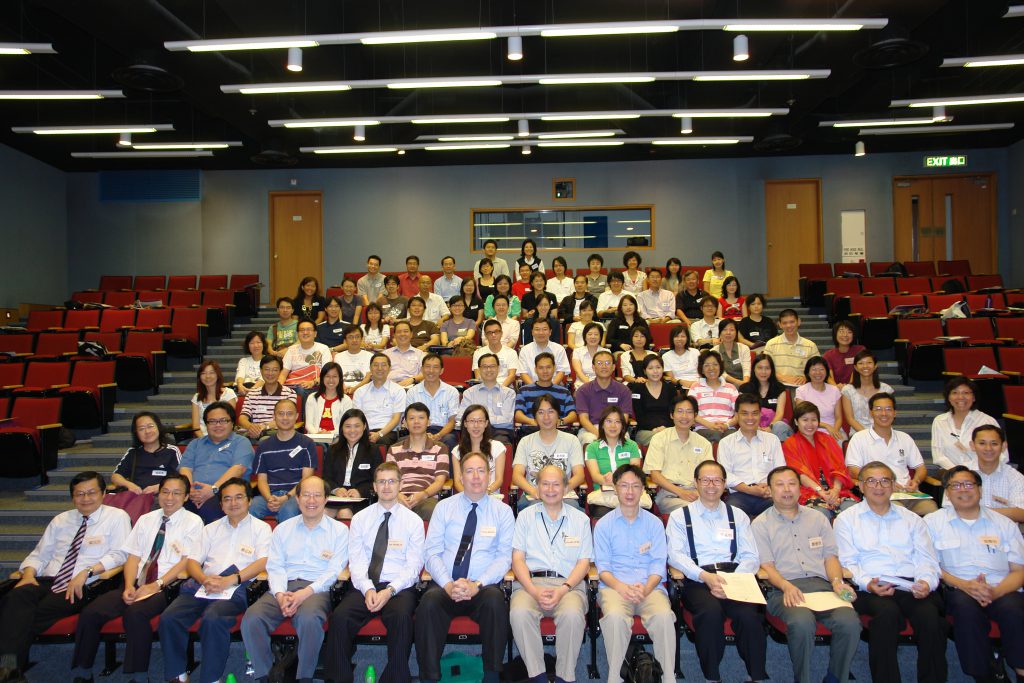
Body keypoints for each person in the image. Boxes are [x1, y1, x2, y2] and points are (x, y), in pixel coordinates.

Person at [71, 473, 204, 681]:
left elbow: (186, 561)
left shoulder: (193, 522)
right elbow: (133, 556)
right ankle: (83, 672)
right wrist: (128, 586)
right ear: (158, 494)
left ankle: (139, 675)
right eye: (165, 492)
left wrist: (157, 585)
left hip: (167, 585)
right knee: (91, 612)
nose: (169, 498)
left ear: (186, 497)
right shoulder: (146, 519)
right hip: (137, 582)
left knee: (135, 613)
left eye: (177, 493)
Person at [0, 472, 130, 679]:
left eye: (91, 493)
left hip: (83, 584)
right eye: (79, 494)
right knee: (17, 596)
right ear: (72, 497)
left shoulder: (116, 517)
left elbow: (120, 554)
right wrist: (29, 574)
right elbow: (39, 554)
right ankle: (11, 670)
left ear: (104, 493)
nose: (85, 499)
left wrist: (87, 572)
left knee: (19, 615)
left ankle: (8, 668)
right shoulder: (61, 520)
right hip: (48, 579)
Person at [834, 461, 946, 683]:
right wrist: (868, 583)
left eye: (885, 481)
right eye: (871, 481)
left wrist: (926, 582)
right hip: (869, 586)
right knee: (887, 614)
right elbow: (848, 562)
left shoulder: (912, 519)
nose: (879, 486)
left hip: (910, 583)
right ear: (860, 486)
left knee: (930, 617)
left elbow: (926, 558)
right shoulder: (846, 520)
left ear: (894, 485)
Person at [751, 466, 860, 683]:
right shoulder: (760, 524)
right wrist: (786, 586)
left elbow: (830, 557)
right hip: (783, 589)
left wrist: (837, 582)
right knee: (802, 622)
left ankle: (835, 678)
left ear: (800, 489)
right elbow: (767, 566)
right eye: (780, 485)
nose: (787, 489)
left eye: (792, 484)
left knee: (850, 622)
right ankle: (803, 679)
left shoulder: (818, 518)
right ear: (770, 490)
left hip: (823, 587)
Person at [158, 478, 272, 683]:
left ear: (249, 500)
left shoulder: (261, 528)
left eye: (239, 497)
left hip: (238, 586)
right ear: (221, 504)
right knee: (170, 617)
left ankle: (211, 678)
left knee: (213, 618)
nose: (233, 503)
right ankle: (178, 674)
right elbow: (192, 561)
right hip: (205, 585)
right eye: (227, 499)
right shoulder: (210, 529)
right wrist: (204, 579)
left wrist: (232, 579)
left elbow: (263, 561)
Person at [415, 451, 515, 683]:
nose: (476, 477)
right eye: (469, 471)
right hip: (446, 585)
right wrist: (448, 585)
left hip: (482, 586)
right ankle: (429, 677)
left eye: (481, 471)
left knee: (495, 602)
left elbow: (504, 557)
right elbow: (431, 552)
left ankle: (491, 676)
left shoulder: (503, 512)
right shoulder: (444, 507)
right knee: (428, 604)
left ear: (489, 476)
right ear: (461, 477)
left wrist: (477, 585)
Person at [241, 476, 349, 683]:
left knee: (309, 619)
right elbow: (275, 566)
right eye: (306, 495)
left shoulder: (339, 531)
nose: (311, 500)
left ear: (326, 499)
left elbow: (334, 571)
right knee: (252, 618)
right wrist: (280, 594)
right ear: (297, 499)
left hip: (316, 589)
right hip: (283, 586)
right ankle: (265, 676)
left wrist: (304, 593)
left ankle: (304, 677)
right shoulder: (283, 529)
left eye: (317, 495)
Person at [667, 459, 766, 683]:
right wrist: (705, 577)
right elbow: (675, 555)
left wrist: (733, 581)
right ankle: (712, 676)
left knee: (749, 616)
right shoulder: (680, 516)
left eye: (717, 480)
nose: (711, 485)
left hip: (736, 576)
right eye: (705, 480)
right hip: (698, 578)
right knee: (710, 613)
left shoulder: (738, 516)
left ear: (724, 484)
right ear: (696, 482)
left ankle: (756, 675)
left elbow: (751, 556)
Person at [325, 462, 425, 683]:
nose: (386, 486)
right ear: (374, 486)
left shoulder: (414, 522)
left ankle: (395, 678)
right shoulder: (360, 519)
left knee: (401, 618)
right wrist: (368, 588)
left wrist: (389, 591)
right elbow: (356, 561)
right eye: (382, 482)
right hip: (365, 584)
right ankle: (339, 678)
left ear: (400, 485)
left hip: (398, 587)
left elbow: (414, 566)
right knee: (340, 618)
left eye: (391, 481)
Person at [925, 465, 1024, 683]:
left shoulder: (1004, 524)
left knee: (1015, 610)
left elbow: (1019, 570)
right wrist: (965, 585)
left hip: (1001, 587)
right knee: (965, 609)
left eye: (969, 484)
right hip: (957, 587)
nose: (963, 489)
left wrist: (995, 592)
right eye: (955, 485)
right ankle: (985, 675)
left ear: (980, 489)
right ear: (947, 492)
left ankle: (1021, 671)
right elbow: (930, 565)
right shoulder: (932, 522)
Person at [510, 465, 592, 683]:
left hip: (568, 585)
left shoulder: (581, 520)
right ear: (537, 488)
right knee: (519, 612)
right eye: (545, 484)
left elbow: (584, 563)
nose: (550, 489)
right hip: (531, 583)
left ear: (565, 488)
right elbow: (517, 560)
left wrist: (564, 589)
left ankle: (565, 677)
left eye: (556, 484)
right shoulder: (524, 517)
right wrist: (533, 590)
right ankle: (537, 676)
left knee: (572, 615)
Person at [594, 464, 675, 683]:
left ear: (643, 490)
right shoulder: (603, 525)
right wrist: (622, 587)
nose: (629, 492)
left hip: (649, 588)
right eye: (624, 486)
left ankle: (668, 678)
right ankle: (616, 679)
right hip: (615, 588)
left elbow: (658, 564)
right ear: (615, 488)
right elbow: (603, 568)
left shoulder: (655, 524)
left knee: (664, 617)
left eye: (635, 486)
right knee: (614, 618)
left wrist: (646, 589)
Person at [845, 393, 938, 516]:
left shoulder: (905, 438)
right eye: (878, 409)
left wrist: (916, 481)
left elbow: (921, 468)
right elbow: (852, 470)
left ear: (895, 413)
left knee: (931, 509)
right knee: (898, 513)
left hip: (908, 493)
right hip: (879, 492)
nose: (884, 413)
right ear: (871, 413)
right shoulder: (859, 438)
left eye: (888, 409)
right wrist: (885, 483)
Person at [783, 402, 859, 520]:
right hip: (810, 491)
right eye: (805, 420)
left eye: (813, 420)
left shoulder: (828, 439)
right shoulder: (790, 444)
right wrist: (821, 492)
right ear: (797, 422)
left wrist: (836, 490)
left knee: (853, 511)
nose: (810, 424)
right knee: (819, 516)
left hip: (837, 490)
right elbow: (800, 474)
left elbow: (840, 469)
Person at [179, 402, 254, 523]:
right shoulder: (195, 444)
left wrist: (214, 489)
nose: (218, 425)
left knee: (210, 510)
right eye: (212, 421)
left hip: (225, 493)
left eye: (223, 420)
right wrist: (189, 489)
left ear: (232, 423)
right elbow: (185, 468)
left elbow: (238, 469)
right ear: (206, 424)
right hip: (194, 494)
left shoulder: (241, 442)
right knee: (176, 509)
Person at [716, 393, 786, 518]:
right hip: (739, 495)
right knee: (730, 514)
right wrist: (749, 489)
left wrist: (769, 487)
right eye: (745, 413)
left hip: (768, 493)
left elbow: (780, 470)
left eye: (754, 413)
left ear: (760, 414)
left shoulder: (772, 440)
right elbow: (725, 475)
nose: (750, 418)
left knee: (785, 510)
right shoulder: (726, 443)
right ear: (736, 415)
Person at [513, 394, 586, 511]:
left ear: (558, 415)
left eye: (551, 412)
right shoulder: (525, 441)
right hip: (534, 495)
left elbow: (579, 475)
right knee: (535, 511)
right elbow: (517, 475)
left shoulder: (572, 440)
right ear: (535, 417)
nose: (546, 417)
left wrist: (563, 489)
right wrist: (533, 491)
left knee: (572, 511)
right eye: (541, 412)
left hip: (564, 495)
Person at [250, 399, 316, 522]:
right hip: (269, 495)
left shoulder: (307, 444)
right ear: (274, 416)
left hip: (295, 495)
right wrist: (269, 499)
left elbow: (306, 479)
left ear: (296, 416)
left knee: (288, 510)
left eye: (289, 414)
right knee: (250, 508)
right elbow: (261, 480)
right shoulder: (263, 446)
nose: (285, 418)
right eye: (281, 413)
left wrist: (286, 497)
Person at [108, 411, 180, 522]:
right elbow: (116, 476)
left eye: (150, 426)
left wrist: (159, 487)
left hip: (160, 497)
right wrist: (129, 485)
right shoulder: (133, 452)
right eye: (141, 429)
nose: (147, 431)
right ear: (136, 433)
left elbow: (181, 479)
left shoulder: (172, 451)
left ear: (158, 427)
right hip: (135, 497)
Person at [945, 425, 1024, 523]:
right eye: (982, 443)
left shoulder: (1015, 477)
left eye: (994, 443)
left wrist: (978, 512)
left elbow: (1021, 513)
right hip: (964, 528)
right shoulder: (958, 474)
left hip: (1003, 530)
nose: (988, 448)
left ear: (1003, 446)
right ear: (972, 445)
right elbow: (949, 509)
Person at [387, 403, 450, 521]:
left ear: (428, 422)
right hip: (398, 497)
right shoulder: (394, 449)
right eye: (411, 418)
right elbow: (390, 479)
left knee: (433, 511)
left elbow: (440, 481)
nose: (416, 422)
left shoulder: (440, 448)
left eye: (421, 418)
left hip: (427, 498)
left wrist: (423, 494)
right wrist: (398, 495)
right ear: (405, 423)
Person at [585, 406, 651, 515]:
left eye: (617, 422)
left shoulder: (632, 446)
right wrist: (612, 482)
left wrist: (616, 481)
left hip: (630, 493)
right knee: (604, 515)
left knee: (639, 514)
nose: (613, 426)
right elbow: (595, 476)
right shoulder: (592, 448)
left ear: (622, 425)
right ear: (602, 424)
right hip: (603, 497)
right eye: (609, 421)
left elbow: (635, 474)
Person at [930, 376, 1005, 470]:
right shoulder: (939, 421)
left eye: (966, 393)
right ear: (948, 397)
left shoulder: (987, 421)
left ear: (974, 397)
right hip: (950, 473)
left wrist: (977, 472)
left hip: (983, 473)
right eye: (955, 393)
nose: (960, 397)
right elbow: (938, 456)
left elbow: (1003, 455)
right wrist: (959, 473)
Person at [324, 409, 381, 520]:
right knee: (322, 513)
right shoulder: (333, 450)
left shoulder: (373, 450)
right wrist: (336, 490)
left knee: (344, 513)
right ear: (342, 428)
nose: (352, 430)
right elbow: (326, 478)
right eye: (348, 426)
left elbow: (378, 479)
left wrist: (360, 491)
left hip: (361, 498)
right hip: (337, 497)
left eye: (357, 426)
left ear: (364, 426)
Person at [575, 349, 634, 448]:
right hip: (591, 429)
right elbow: (583, 419)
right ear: (593, 367)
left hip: (616, 428)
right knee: (589, 440)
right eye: (599, 363)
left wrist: (613, 432)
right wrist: (600, 435)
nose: (604, 366)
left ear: (613, 367)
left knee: (625, 442)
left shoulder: (624, 390)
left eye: (607, 363)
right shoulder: (583, 390)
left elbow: (624, 418)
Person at [406, 353, 461, 450]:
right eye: (427, 367)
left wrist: (438, 436)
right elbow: (409, 419)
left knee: (450, 440)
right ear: (422, 369)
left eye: (435, 367)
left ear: (441, 370)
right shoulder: (412, 392)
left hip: (444, 432)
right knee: (403, 442)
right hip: (418, 430)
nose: (431, 371)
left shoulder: (451, 392)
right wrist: (423, 435)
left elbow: (452, 421)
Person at [460, 352, 517, 444]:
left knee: (501, 443)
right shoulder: (469, 393)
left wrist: (478, 420)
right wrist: (483, 422)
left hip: (500, 432)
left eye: (492, 366)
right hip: (474, 431)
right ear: (479, 370)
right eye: (485, 367)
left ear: (498, 368)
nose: (489, 369)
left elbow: (507, 420)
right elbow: (462, 416)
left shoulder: (509, 393)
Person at [515, 353, 578, 436]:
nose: (545, 371)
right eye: (541, 368)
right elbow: (518, 415)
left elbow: (573, 415)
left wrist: (561, 421)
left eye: (548, 367)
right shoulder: (524, 391)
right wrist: (534, 422)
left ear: (554, 368)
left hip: (558, 432)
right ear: (535, 370)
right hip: (532, 432)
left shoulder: (564, 392)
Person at [237, 355, 298, 440]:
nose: (270, 373)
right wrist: (251, 427)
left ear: (280, 371)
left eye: (275, 370)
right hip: (256, 435)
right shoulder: (252, 394)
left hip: (279, 434)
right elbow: (242, 418)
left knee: (265, 440)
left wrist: (265, 427)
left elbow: (287, 420)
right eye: (267, 369)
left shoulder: (289, 394)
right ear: (261, 370)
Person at [352, 353, 405, 447]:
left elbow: (396, 419)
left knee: (379, 443)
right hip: (365, 432)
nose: (380, 368)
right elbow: (358, 418)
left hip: (388, 432)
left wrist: (379, 434)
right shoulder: (360, 392)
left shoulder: (398, 390)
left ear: (389, 368)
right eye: (376, 365)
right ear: (370, 368)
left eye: (383, 365)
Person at [452, 404, 507, 495]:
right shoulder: (457, 451)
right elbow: (458, 482)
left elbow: (499, 480)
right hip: (466, 497)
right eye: (472, 421)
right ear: (465, 423)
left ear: (486, 423)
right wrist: (469, 496)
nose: (476, 425)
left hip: (490, 495)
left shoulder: (497, 447)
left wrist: (485, 493)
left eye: (480, 421)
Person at [739, 353, 792, 441]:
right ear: (754, 369)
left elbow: (779, 413)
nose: (763, 372)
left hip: (774, 428)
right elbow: (743, 413)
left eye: (767, 368)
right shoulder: (744, 389)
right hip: (752, 425)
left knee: (780, 426)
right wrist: (757, 428)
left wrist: (770, 427)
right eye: (760, 368)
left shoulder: (779, 388)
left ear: (772, 370)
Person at [689, 350, 739, 442]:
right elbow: (691, 412)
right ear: (701, 369)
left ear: (720, 367)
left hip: (727, 428)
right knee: (715, 435)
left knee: (734, 439)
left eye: (715, 364)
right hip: (703, 428)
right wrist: (710, 425)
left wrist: (726, 425)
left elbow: (738, 413)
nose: (711, 368)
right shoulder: (695, 387)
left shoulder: (731, 388)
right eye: (707, 365)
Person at [841, 349, 893, 434]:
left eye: (869, 362)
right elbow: (850, 419)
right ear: (855, 367)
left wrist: (877, 435)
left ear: (875, 366)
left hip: (882, 433)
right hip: (858, 435)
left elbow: (889, 415)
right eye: (861, 363)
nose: (865, 366)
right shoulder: (848, 390)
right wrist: (868, 436)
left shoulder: (886, 390)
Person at [794, 356, 845, 442]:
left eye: (821, 369)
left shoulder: (834, 390)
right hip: (810, 430)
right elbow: (802, 417)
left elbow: (838, 417)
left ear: (826, 372)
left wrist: (834, 431)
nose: (818, 373)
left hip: (833, 429)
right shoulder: (801, 391)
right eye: (814, 369)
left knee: (840, 442)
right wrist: (826, 426)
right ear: (808, 373)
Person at [630, 355, 677, 446]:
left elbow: (674, 413)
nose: (655, 371)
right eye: (650, 368)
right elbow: (639, 415)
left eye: (658, 367)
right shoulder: (638, 389)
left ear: (663, 369)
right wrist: (654, 429)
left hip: (668, 430)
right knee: (663, 440)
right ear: (645, 371)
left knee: (670, 438)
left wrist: (665, 428)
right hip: (645, 431)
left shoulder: (671, 389)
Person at [764, 309, 820, 386]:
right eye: (785, 323)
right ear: (779, 324)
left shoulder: (810, 345)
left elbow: (818, 368)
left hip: (802, 387)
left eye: (792, 322)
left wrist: (807, 377)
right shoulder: (771, 344)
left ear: (798, 322)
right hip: (778, 386)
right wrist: (782, 377)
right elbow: (766, 368)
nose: (789, 326)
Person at [280, 320, 332, 403]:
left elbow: (327, 373)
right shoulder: (291, 350)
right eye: (302, 330)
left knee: (303, 390)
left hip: (317, 384)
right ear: (297, 334)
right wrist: (278, 387)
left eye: (309, 330)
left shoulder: (323, 349)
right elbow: (283, 374)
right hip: (295, 384)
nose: (305, 332)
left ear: (315, 333)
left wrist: (313, 382)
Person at [305, 362, 354, 437]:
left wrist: (329, 434)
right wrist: (318, 435)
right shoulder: (312, 397)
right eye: (327, 376)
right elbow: (308, 424)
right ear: (322, 378)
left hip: (337, 438)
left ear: (340, 378)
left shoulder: (346, 400)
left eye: (334, 376)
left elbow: (345, 425)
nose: (331, 380)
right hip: (315, 437)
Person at [190, 360, 237, 437]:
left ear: (218, 375)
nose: (207, 376)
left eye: (211, 373)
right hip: (202, 438)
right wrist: (204, 441)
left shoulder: (228, 394)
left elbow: (230, 422)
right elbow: (196, 427)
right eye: (203, 373)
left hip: (224, 436)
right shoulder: (196, 397)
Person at [517, 317, 570, 385]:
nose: (541, 333)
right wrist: (535, 388)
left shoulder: (559, 349)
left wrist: (551, 387)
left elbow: (561, 371)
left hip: (554, 387)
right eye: (537, 329)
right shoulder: (525, 350)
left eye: (544, 329)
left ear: (550, 332)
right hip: (531, 388)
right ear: (532, 332)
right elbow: (523, 373)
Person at [472, 319, 519, 387]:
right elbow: (478, 376)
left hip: (505, 388)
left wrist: (500, 389)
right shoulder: (478, 353)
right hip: (485, 388)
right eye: (490, 332)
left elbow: (511, 376)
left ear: (501, 333)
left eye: (496, 332)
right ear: (485, 335)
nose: (493, 335)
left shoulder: (511, 352)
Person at [334, 324, 374, 395]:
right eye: (350, 337)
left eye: (357, 337)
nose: (354, 340)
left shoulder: (370, 356)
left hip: (364, 392)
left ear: (362, 339)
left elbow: (367, 378)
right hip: (342, 391)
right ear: (345, 340)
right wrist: (343, 388)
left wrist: (354, 389)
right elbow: (337, 376)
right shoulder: (338, 357)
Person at [822, 320, 864, 387]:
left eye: (849, 332)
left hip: (856, 387)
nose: (845, 335)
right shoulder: (828, 355)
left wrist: (848, 387)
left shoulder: (860, 350)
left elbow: (859, 370)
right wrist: (836, 387)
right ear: (835, 334)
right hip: (835, 388)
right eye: (841, 331)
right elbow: (829, 376)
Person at [383, 321, 425, 387]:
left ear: (411, 334)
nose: (402, 334)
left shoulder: (420, 354)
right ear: (394, 335)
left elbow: (425, 373)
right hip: (389, 387)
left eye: (406, 331)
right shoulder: (385, 354)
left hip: (411, 387)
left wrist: (413, 379)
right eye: (399, 332)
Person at [713, 319, 750, 388]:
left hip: (744, 384)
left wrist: (745, 384)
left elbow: (747, 370)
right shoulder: (714, 351)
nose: (728, 333)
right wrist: (738, 383)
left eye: (732, 330)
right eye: (724, 330)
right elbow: (721, 373)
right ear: (720, 333)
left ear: (736, 332)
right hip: (723, 385)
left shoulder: (744, 348)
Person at [662, 323, 700, 389]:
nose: (679, 339)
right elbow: (671, 378)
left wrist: (696, 384)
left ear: (687, 338)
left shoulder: (695, 352)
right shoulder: (666, 356)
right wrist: (683, 382)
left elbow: (702, 372)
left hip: (698, 384)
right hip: (679, 386)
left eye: (683, 336)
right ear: (672, 339)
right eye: (676, 336)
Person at [570, 321, 606, 389]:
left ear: (600, 337)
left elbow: (606, 372)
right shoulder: (577, 351)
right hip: (583, 385)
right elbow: (579, 372)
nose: (593, 337)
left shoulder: (606, 352)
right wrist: (592, 386)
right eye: (589, 334)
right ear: (585, 336)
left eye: (596, 334)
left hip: (603, 385)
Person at [235, 330, 268, 395]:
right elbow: (240, 375)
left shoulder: (269, 360)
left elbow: (264, 378)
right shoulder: (243, 361)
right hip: (244, 390)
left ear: (263, 344)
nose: (255, 346)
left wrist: (252, 389)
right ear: (248, 345)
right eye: (252, 343)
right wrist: (240, 386)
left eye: (258, 342)